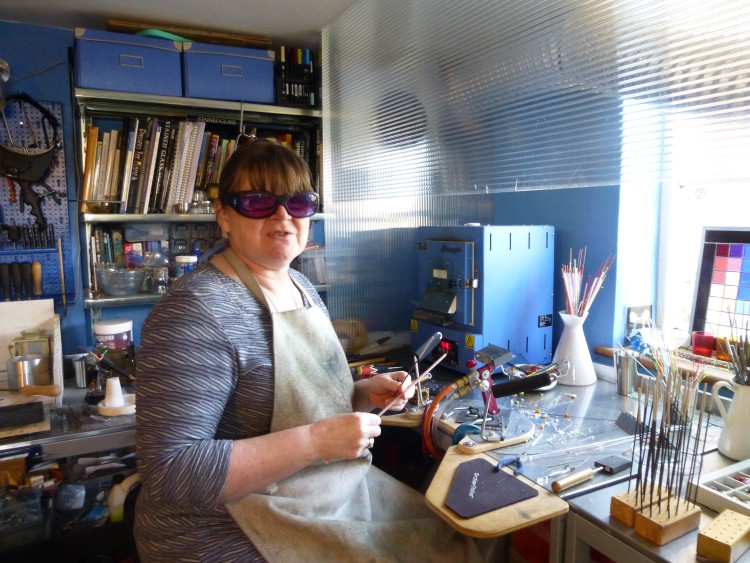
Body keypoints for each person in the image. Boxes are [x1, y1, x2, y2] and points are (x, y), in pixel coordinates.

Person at [134, 139, 483, 562]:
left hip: (323, 499)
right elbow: (171, 472)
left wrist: (359, 393)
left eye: (298, 203)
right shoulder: (196, 310)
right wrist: (317, 442)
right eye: (258, 201)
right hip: (230, 534)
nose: (282, 216)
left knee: (460, 540)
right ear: (223, 216)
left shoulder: (300, 287)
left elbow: (290, 401)